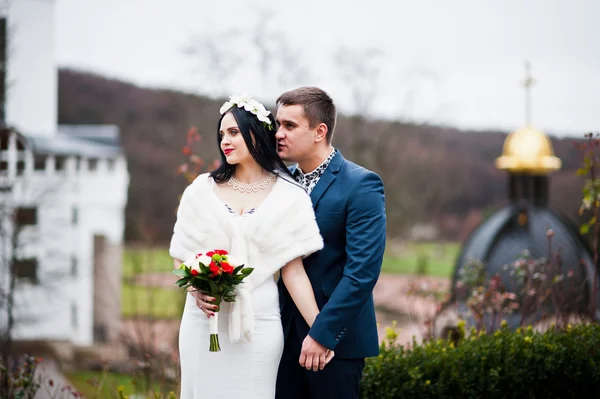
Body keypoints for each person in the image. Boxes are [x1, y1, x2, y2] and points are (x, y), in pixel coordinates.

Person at [169, 94, 333, 399]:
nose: (225, 141)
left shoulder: (290, 196)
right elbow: (182, 256)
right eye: (221, 135)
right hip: (204, 322)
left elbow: (293, 273)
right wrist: (195, 289)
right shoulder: (200, 191)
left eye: (233, 132)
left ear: (256, 134)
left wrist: (321, 331)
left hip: (259, 325)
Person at [275, 87, 387, 399]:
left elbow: (361, 273)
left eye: (290, 126)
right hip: (280, 338)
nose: (279, 134)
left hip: (336, 344)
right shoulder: (279, 183)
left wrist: (323, 335)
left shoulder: (361, 185)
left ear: (319, 131)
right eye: (277, 124)